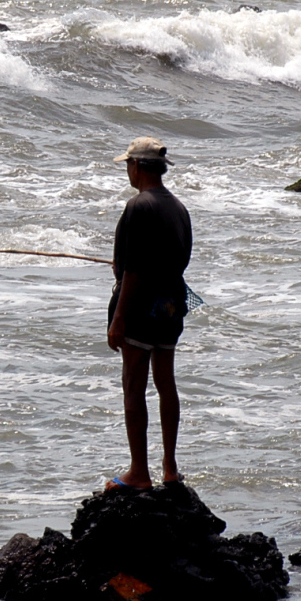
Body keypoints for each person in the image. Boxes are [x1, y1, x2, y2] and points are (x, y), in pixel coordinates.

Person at [105, 136, 192, 490]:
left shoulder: (138, 206)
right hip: (172, 306)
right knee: (165, 383)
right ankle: (170, 468)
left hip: (141, 307)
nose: (127, 170)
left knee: (133, 386)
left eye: (128, 164)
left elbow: (133, 271)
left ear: (137, 166)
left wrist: (119, 319)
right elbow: (179, 260)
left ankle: (139, 472)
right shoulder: (179, 209)